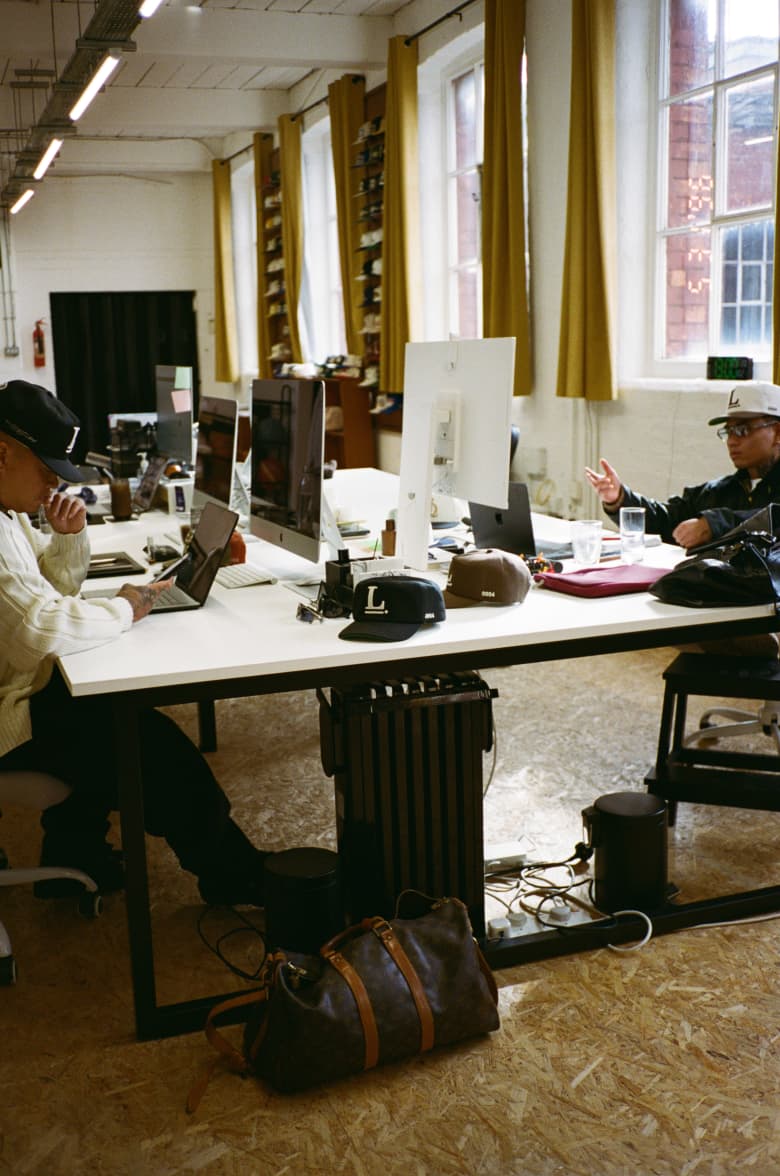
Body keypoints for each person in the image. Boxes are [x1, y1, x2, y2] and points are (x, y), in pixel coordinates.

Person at [0, 379, 269, 903]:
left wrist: (68, 539)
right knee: (148, 745)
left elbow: (42, 597)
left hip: (20, 681)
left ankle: (73, 850)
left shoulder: (8, 513)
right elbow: (38, 630)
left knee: (112, 708)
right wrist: (127, 608)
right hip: (11, 706)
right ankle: (232, 875)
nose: (54, 485)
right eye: (48, 470)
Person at [585, 381, 780, 550]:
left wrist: (715, 524)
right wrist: (620, 498)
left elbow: (772, 519)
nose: (732, 441)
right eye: (728, 431)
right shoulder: (718, 492)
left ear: (778, 433)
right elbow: (666, 520)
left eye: (743, 430)